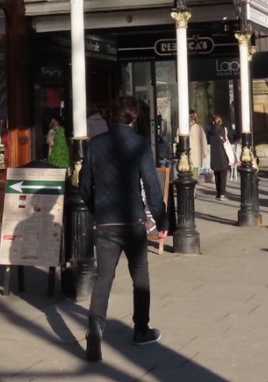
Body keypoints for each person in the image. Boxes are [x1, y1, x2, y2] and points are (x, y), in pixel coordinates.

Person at [79, 95, 168, 362]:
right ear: (134, 117)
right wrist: (162, 221)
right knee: (140, 275)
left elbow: (84, 184)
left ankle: (95, 325)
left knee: (104, 277)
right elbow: (153, 186)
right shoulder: (140, 144)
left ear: (112, 117)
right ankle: (141, 329)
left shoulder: (95, 145)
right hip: (132, 222)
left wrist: (97, 209)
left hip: (105, 222)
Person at [208, 115, 233, 201]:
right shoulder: (222, 130)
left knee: (217, 175)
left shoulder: (211, 131)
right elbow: (227, 139)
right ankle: (222, 193)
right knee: (223, 175)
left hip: (214, 155)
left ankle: (218, 193)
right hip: (222, 154)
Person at [188, 110, 210, 177]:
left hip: (186, 154)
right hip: (196, 153)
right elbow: (203, 140)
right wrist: (205, 152)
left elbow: (177, 139)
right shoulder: (198, 127)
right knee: (194, 173)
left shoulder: (182, 127)